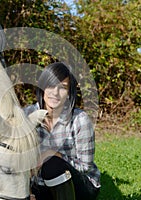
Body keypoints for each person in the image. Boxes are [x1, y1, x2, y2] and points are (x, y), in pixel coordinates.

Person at [24, 62, 101, 200]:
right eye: (51, 86)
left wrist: (54, 154)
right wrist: (27, 191)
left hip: (80, 184)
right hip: (40, 184)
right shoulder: (27, 115)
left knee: (52, 164)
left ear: (69, 92)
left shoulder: (80, 119)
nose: (55, 93)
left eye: (63, 88)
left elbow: (85, 167)